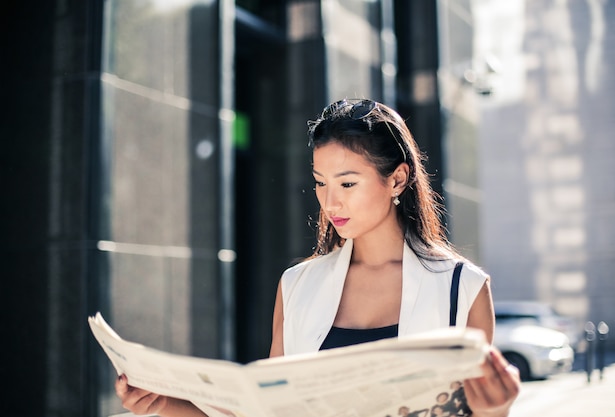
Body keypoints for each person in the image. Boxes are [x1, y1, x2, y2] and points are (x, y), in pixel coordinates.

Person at [115, 99, 520, 417]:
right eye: (320, 183)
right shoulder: (297, 285)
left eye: (347, 182)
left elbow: (481, 409)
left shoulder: (461, 286)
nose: (330, 201)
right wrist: (166, 404)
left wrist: (495, 410)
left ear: (397, 178)